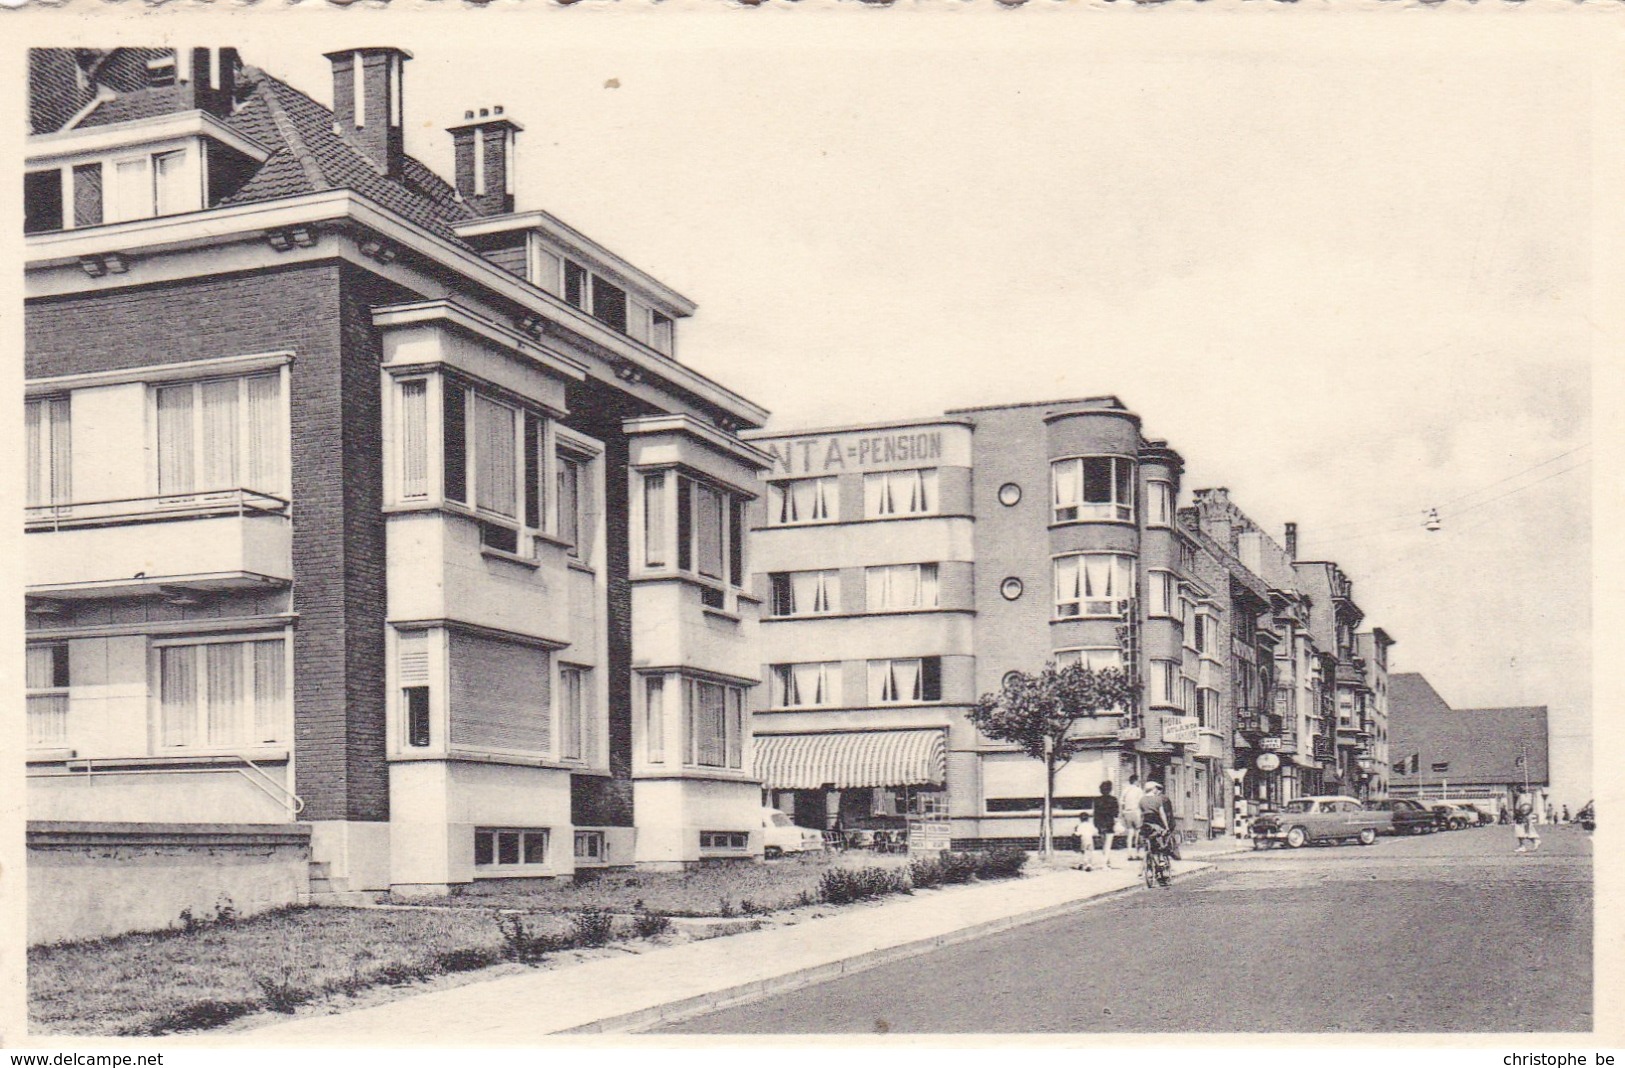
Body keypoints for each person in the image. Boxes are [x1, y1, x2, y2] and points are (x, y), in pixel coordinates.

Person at [1082, 781, 1121, 870]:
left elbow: (1095, 813)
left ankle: (1107, 861)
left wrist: (1095, 824)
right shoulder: (1113, 799)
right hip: (1109, 824)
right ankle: (1105, 864)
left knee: (1103, 843)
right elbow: (1116, 813)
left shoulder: (1097, 800)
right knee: (1108, 845)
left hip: (1100, 823)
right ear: (1110, 789)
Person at [1140, 780, 1179, 861]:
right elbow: (1162, 814)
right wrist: (1166, 826)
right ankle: (1161, 858)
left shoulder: (1142, 800)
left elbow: (1139, 814)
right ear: (1153, 789)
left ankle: (1144, 866)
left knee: (1148, 844)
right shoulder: (1158, 800)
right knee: (1161, 840)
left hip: (1145, 825)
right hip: (1155, 825)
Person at [1120, 774, 1145, 860]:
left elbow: (1121, 802)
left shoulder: (1125, 790)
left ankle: (1129, 854)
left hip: (1127, 812)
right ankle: (1137, 853)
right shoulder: (1139, 790)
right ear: (1135, 781)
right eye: (1138, 781)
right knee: (1138, 833)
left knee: (1130, 834)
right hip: (1136, 812)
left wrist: (1123, 812)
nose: (1139, 782)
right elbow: (1142, 802)